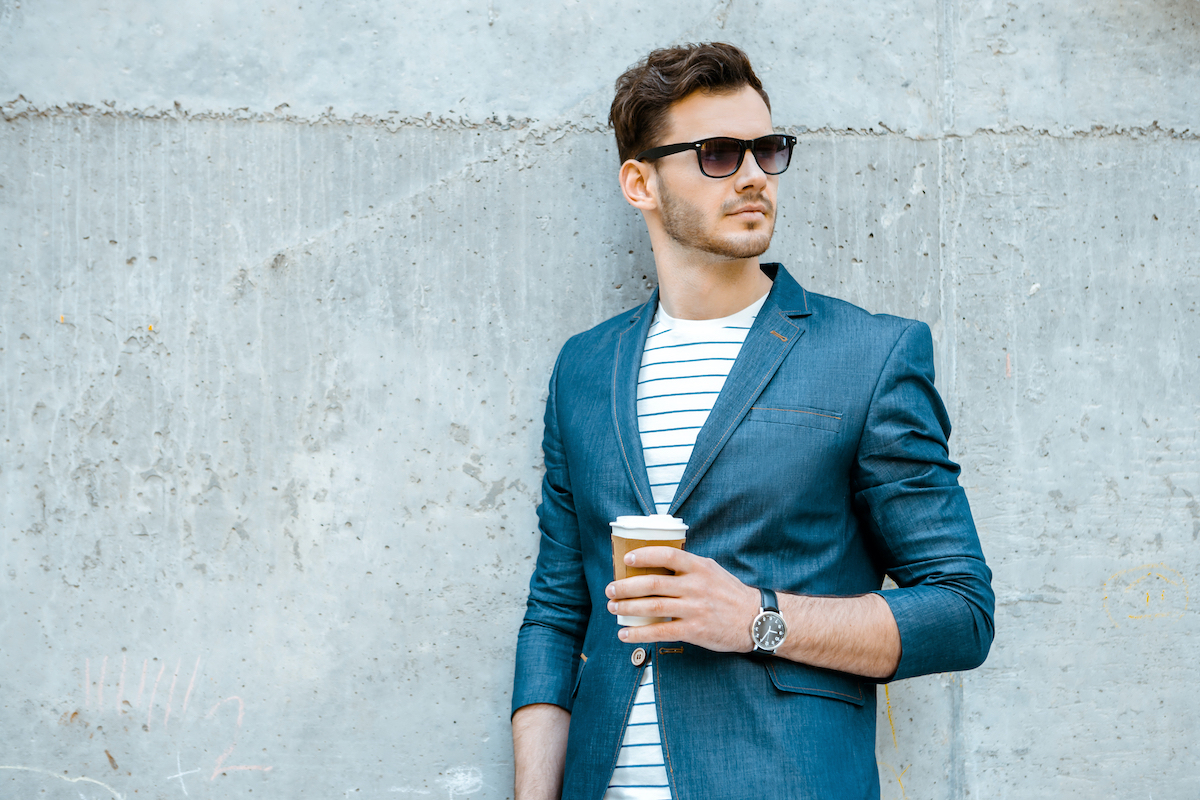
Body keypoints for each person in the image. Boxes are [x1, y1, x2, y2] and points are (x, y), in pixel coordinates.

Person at [510, 42, 994, 800]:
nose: (753, 176)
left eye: (766, 151)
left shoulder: (870, 355)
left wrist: (754, 619)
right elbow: (554, 613)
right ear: (639, 182)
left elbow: (960, 613)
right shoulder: (584, 368)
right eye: (716, 154)